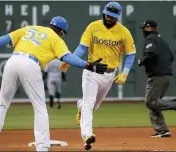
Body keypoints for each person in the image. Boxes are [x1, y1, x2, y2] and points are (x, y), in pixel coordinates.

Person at [0, 16, 108, 152]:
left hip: (12, 61)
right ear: (61, 31)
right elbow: (67, 57)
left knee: (2, 104)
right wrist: (87, 65)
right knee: (40, 108)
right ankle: (42, 147)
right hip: (31, 64)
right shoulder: (56, 38)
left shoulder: (30, 28)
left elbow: (6, 38)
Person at [59, 2, 136, 150]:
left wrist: (125, 72)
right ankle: (87, 136)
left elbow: (131, 54)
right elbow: (83, 47)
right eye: (107, 14)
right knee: (89, 103)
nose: (108, 17)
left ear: (117, 17)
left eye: (112, 16)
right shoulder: (93, 26)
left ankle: (80, 106)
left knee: (94, 105)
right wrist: (70, 60)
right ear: (104, 12)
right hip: (92, 72)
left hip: (109, 74)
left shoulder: (123, 31)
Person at [137, 20, 176, 137]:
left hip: (157, 76)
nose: (143, 30)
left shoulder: (150, 39)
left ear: (149, 28)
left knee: (150, 102)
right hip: (166, 75)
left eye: (144, 28)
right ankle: (162, 130)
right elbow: (172, 57)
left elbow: (151, 54)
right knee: (154, 103)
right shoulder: (162, 41)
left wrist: (142, 61)